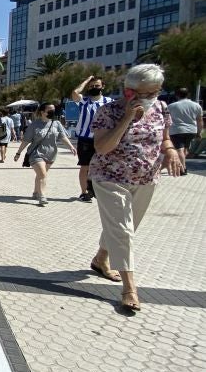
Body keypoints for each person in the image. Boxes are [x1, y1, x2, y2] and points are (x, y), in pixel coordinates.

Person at [88, 64, 182, 311]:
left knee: (124, 228)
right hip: (109, 177)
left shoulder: (161, 108)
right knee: (123, 230)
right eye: (147, 93)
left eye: (156, 91)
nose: (153, 97)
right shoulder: (109, 112)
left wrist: (170, 150)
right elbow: (102, 147)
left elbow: (164, 137)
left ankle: (100, 259)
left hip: (146, 178)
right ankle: (130, 289)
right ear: (129, 91)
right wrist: (128, 117)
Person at [14, 103, 76, 206]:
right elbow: (26, 141)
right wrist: (18, 153)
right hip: (36, 153)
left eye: (53, 110)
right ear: (42, 112)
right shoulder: (34, 125)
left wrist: (71, 147)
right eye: (50, 110)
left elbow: (62, 137)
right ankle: (42, 196)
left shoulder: (56, 124)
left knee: (41, 175)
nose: (52, 112)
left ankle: (35, 192)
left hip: (51, 154)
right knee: (43, 174)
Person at [72, 75, 112, 201]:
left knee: (103, 167)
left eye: (97, 86)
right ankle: (84, 192)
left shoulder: (109, 102)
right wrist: (87, 80)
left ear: (103, 87)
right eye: (91, 86)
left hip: (103, 139)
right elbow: (74, 92)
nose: (94, 88)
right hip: (85, 139)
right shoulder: (83, 101)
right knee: (85, 166)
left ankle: (98, 190)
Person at [167, 87, 203, 176]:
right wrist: (199, 132)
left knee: (179, 149)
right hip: (191, 130)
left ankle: (183, 169)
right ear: (188, 94)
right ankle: (182, 165)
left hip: (177, 130)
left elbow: (166, 120)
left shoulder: (172, 106)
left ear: (177, 95)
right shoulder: (196, 105)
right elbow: (199, 120)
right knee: (185, 149)